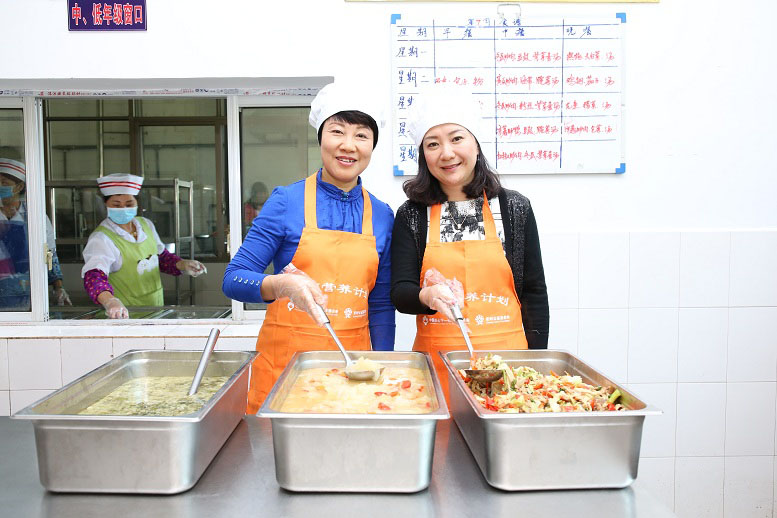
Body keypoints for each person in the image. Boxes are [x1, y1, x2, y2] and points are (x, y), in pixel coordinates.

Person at [223, 82, 396, 413]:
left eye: (362, 135)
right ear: (321, 138)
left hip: (352, 372)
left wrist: (379, 367)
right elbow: (233, 278)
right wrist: (281, 284)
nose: (348, 145)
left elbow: (382, 303)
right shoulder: (285, 201)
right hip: (286, 373)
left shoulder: (384, 215)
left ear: (373, 145)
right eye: (337, 131)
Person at [390, 89, 549, 402]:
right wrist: (426, 295)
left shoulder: (513, 207)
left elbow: (534, 292)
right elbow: (400, 293)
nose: (446, 153)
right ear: (424, 156)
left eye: (456, 138)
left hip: (509, 368)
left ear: (475, 143)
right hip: (437, 366)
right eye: (432, 144)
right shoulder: (412, 214)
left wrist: (534, 364)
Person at [81, 173, 207, 319]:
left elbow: (161, 258)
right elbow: (94, 277)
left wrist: (183, 264)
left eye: (129, 204)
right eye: (116, 204)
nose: (123, 208)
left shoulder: (145, 225)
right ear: (106, 205)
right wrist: (110, 301)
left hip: (155, 312)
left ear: (137, 203)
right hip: (123, 318)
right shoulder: (101, 238)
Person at [0, 158, 71, 310]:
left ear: (19, 187)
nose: (0, 187)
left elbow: (50, 254)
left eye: (4, 183)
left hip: (31, 297)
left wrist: (58, 287)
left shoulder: (35, 215)